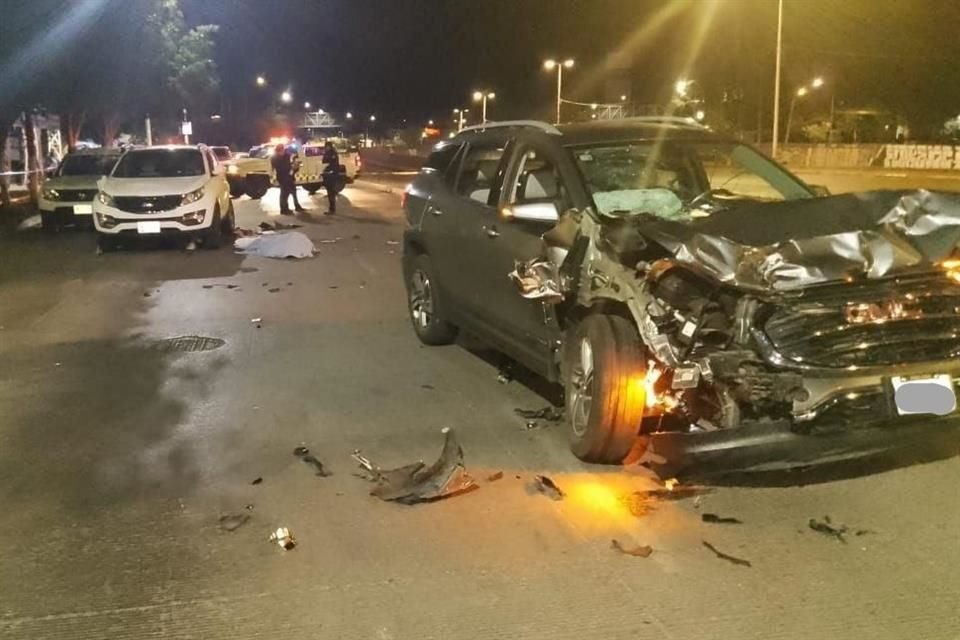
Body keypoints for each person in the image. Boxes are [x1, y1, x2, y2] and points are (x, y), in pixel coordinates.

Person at [270, 143, 304, 215]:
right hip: (282, 177)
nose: (283, 152)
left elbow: (289, 163)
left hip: (289, 176)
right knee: (284, 193)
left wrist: (294, 167)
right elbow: (280, 168)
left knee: (293, 191)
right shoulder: (275, 158)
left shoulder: (286, 155)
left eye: (283, 150)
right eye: (281, 151)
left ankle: (297, 206)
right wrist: (290, 168)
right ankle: (284, 209)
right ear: (278, 151)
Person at [321, 141, 341, 214]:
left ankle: (332, 209)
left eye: (327, 146)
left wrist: (331, 171)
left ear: (329, 146)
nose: (326, 148)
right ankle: (331, 209)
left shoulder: (333, 154)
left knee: (331, 192)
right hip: (327, 175)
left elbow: (333, 164)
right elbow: (323, 161)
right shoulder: (327, 153)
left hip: (332, 175)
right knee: (330, 192)